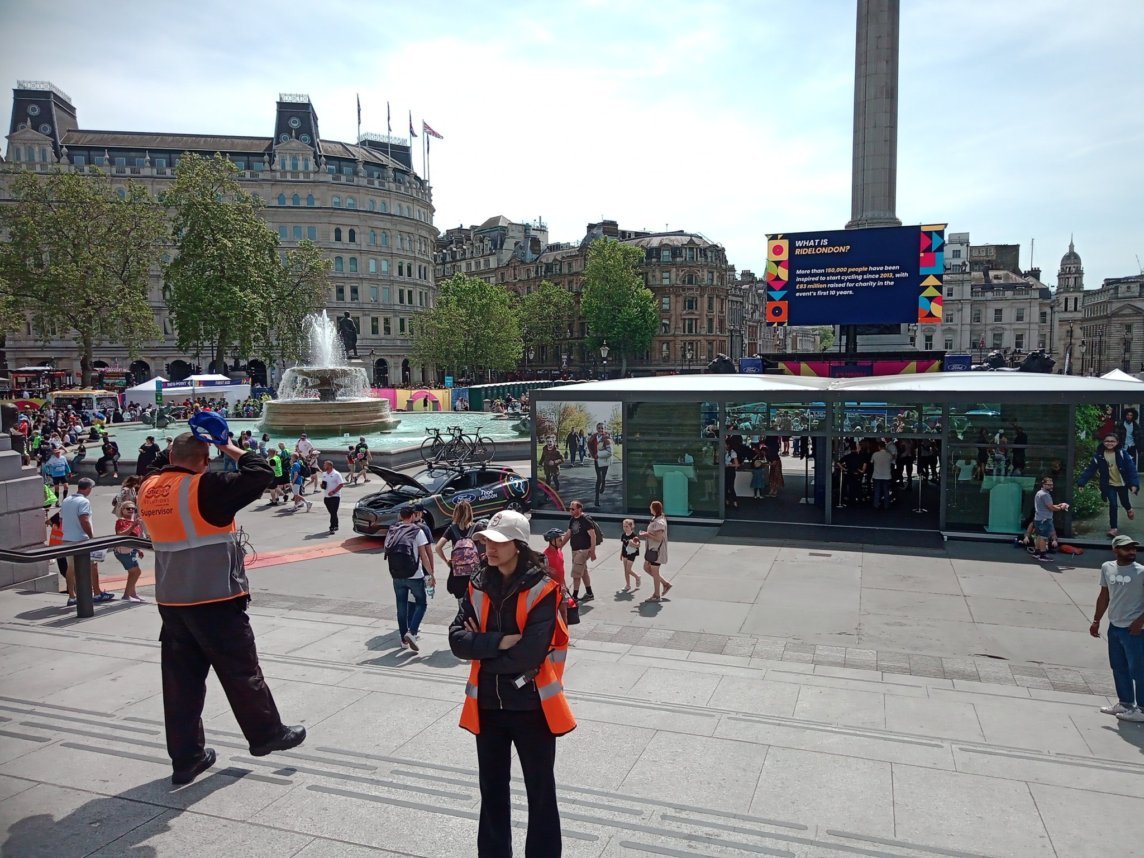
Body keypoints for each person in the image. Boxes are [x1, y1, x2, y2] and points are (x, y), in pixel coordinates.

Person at [138, 430, 306, 785]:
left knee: (180, 684)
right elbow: (261, 473)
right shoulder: (205, 488)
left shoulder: (149, 487)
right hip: (214, 597)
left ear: (170, 457)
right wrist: (226, 443)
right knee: (241, 671)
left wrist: (186, 443)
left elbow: (157, 464)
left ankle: (186, 760)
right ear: (204, 460)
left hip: (171, 601)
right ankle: (266, 734)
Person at [448, 509, 574, 857]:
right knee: (491, 792)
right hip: (488, 708)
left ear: (518, 545)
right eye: (486, 540)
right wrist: (500, 642)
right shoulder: (477, 582)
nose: (489, 548)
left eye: (498, 542)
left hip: (532, 707)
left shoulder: (543, 587)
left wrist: (482, 646)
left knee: (541, 792)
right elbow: (456, 639)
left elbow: (529, 654)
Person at [1090, 535, 1144, 722]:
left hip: (1135, 630)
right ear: (1115, 550)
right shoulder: (1107, 568)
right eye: (1126, 548)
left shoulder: (1141, 572)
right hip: (1115, 627)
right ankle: (1126, 703)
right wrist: (1096, 620)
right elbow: (1104, 595)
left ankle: (1142, 710)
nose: (1131, 552)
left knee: (1139, 670)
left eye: (1133, 548)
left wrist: (1140, 622)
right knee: (1119, 667)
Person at [384, 505, 434, 652]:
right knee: (421, 603)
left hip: (396, 574)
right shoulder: (417, 531)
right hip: (414, 574)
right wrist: (430, 574)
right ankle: (412, 632)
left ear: (400, 516)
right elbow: (424, 555)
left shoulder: (392, 530)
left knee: (401, 607)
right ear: (412, 516)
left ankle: (403, 640)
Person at [59, 477, 114, 607]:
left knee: (71, 568)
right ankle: (97, 593)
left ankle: (72, 596)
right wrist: (91, 537)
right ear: (88, 488)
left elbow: (61, 519)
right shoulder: (84, 501)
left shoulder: (66, 500)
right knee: (92, 566)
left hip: (67, 538)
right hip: (81, 539)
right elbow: (84, 519)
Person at [1078, 433, 1140, 537]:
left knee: (1124, 501)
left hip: (1122, 484)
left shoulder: (1122, 453)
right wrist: (1082, 483)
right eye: (1107, 441)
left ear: (1117, 442)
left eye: (1112, 441)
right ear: (1103, 442)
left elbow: (1131, 469)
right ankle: (1113, 528)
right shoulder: (1099, 455)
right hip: (1109, 484)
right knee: (1113, 504)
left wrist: (1134, 484)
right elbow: (1090, 470)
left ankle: (1129, 509)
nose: (1109, 443)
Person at [561, 500, 597, 603]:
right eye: (570, 509)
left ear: (579, 509)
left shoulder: (586, 519)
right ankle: (589, 593)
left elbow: (593, 535)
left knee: (576, 573)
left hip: (583, 551)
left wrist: (593, 551)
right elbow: (568, 534)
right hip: (575, 550)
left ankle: (574, 596)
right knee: (583, 571)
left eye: (573, 509)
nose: (570, 510)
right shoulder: (572, 519)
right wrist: (560, 546)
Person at [112, 500, 147, 602]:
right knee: (135, 572)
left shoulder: (135, 521)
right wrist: (133, 526)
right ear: (122, 510)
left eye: (133, 508)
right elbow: (120, 534)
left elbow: (136, 538)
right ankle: (126, 595)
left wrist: (139, 550)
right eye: (128, 508)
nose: (131, 510)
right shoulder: (121, 521)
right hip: (123, 551)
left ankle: (133, 594)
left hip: (131, 550)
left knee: (134, 572)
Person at [1031, 477, 1069, 563]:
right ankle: (1042, 555)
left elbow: (1048, 505)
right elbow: (1051, 507)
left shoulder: (1039, 493)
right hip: (1044, 519)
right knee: (1044, 538)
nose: (1051, 486)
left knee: (1039, 536)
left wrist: (1059, 505)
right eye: (1048, 485)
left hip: (1038, 518)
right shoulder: (1045, 495)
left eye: (1051, 484)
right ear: (1043, 485)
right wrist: (1061, 508)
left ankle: (1037, 553)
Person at [639, 500, 672, 601]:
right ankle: (665, 584)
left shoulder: (659, 522)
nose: (649, 507)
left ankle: (656, 595)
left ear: (654, 509)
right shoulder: (656, 519)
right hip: (652, 550)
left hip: (657, 551)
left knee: (655, 571)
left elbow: (658, 538)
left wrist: (646, 534)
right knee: (646, 567)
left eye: (651, 506)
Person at [587, 422, 613, 507]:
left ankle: (604, 483)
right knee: (599, 478)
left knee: (603, 477)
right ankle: (597, 499)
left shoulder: (607, 438)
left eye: (602, 428)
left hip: (605, 460)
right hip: (597, 460)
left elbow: (610, 451)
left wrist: (600, 454)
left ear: (604, 429)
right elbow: (589, 444)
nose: (600, 430)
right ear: (596, 429)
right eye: (599, 428)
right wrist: (592, 453)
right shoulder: (593, 437)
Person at [320, 459, 345, 535]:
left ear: (330, 466)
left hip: (335, 496)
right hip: (326, 496)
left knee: (333, 512)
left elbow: (341, 484)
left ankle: (332, 527)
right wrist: (322, 486)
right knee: (332, 513)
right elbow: (324, 484)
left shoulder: (336, 474)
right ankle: (336, 524)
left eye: (325, 464)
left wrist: (334, 491)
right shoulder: (324, 474)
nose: (324, 466)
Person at [870, 441, 894, 510]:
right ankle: (886, 505)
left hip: (877, 475)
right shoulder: (889, 455)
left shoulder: (875, 454)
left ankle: (876, 505)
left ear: (879, 447)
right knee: (886, 491)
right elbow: (892, 460)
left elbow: (871, 462)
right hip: (887, 476)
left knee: (877, 491)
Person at [620, 518, 641, 591]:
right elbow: (623, 545)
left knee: (628, 569)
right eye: (624, 526)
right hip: (625, 553)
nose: (625, 528)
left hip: (632, 553)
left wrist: (632, 543)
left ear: (631, 527)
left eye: (627, 526)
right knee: (625, 570)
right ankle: (628, 585)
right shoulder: (623, 535)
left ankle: (637, 577)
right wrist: (621, 554)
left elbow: (638, 545)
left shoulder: (634, 536)